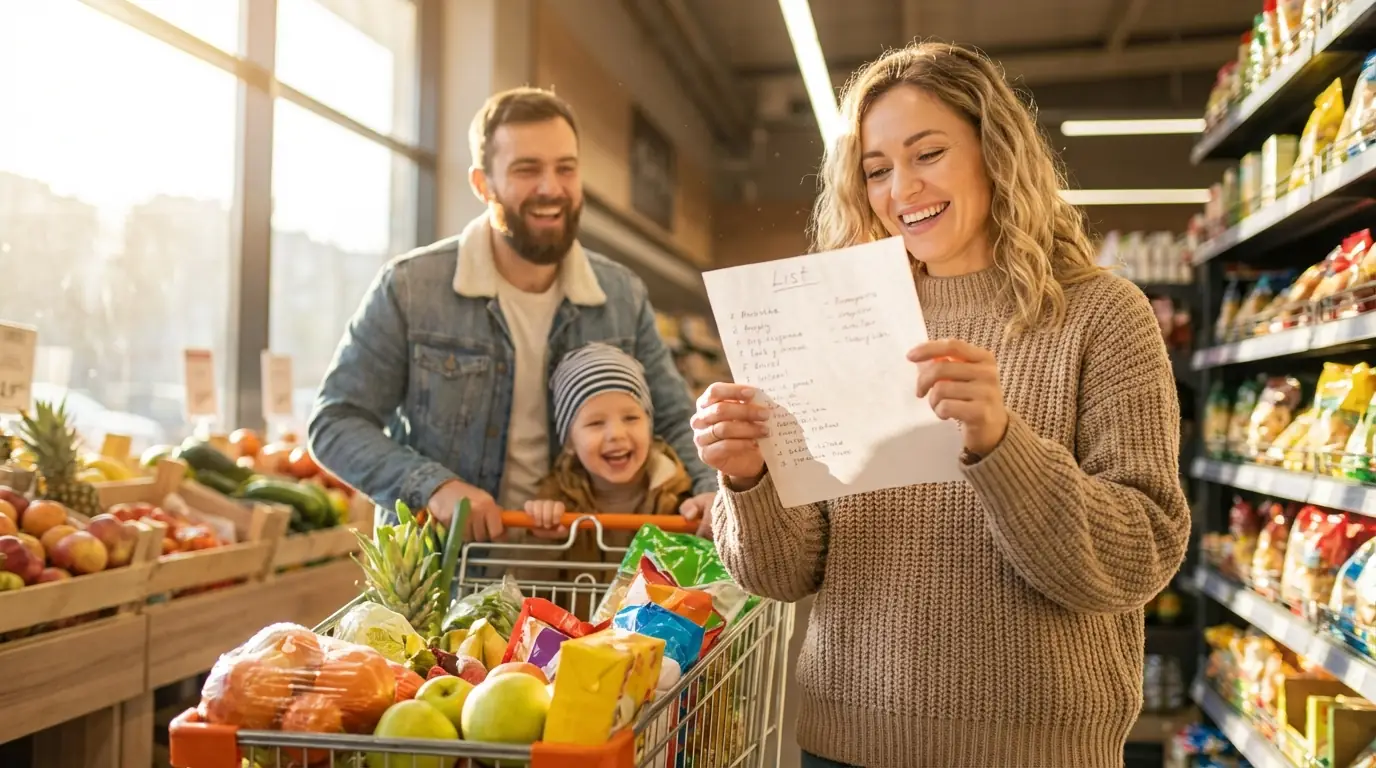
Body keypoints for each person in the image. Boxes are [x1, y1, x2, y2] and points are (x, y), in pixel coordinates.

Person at [691, 42, 1190, 768]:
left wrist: (1000, 445)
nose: (902, 188)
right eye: (876, 169)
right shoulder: (839, 315)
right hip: (844, 746)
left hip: (1038, 753)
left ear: (994, 151)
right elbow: (783, 575)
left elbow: (1139, 556)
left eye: (928, 153)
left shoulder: (1103, 314)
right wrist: (748, 479)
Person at [308, 87, 717, 543]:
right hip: (445, 576)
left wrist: (706, 487)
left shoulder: (620, 295)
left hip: (580, 580)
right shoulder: (411, 288)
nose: (551, 187)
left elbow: (676, 420)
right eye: (527, 170)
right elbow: (335, 422)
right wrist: (433, 487)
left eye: (566, 168)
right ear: (482, 184)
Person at [520, 342, 694, 580]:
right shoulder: (555, 501)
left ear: (649, 425)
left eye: (631, 418)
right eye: (595, 423)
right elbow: (529, 589)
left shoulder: (682, 497)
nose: (616, 434)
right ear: (570, 443)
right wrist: (543, 540)